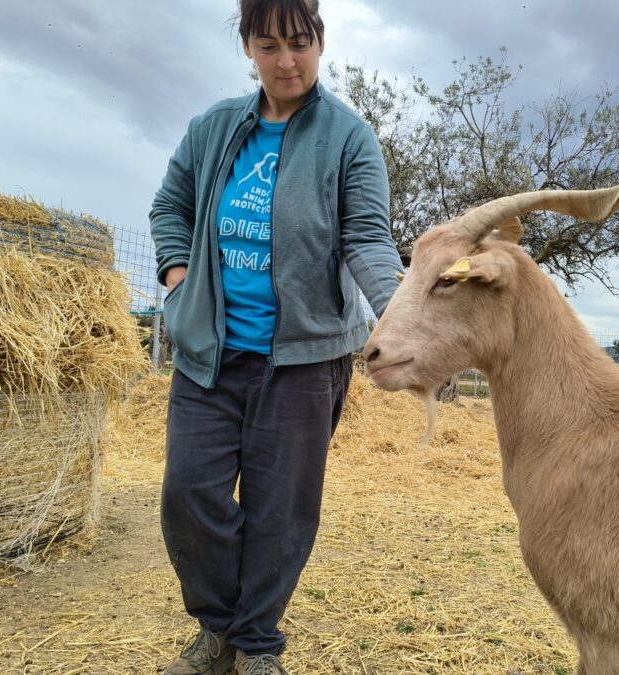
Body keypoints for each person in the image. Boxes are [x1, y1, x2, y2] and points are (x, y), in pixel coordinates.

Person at [148, 0, 403, 673]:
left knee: (280, 513)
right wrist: (178, 282)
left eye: (299, 42)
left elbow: (369, 240)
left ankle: (255, 643)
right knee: (187, 494)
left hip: (302, 363)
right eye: (269, 45)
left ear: (320, 41)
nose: (286, 61)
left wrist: (403, 314)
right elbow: (170, 203)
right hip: (209, 354)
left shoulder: (349, 139)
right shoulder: (215, 128)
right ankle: (217, 627)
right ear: (248, 50)